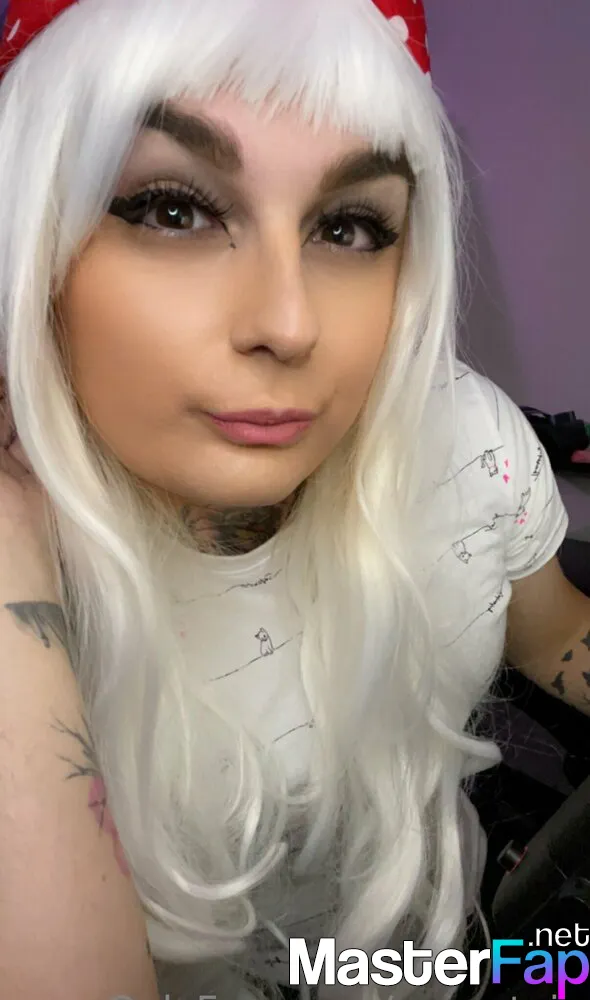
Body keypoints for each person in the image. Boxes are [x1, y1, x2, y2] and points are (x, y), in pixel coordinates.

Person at [1, 1, 589, 998]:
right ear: (33, 240)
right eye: (173, 210)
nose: (289, 321)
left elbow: (554, 635)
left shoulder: (465, 440)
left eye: (348, 227)